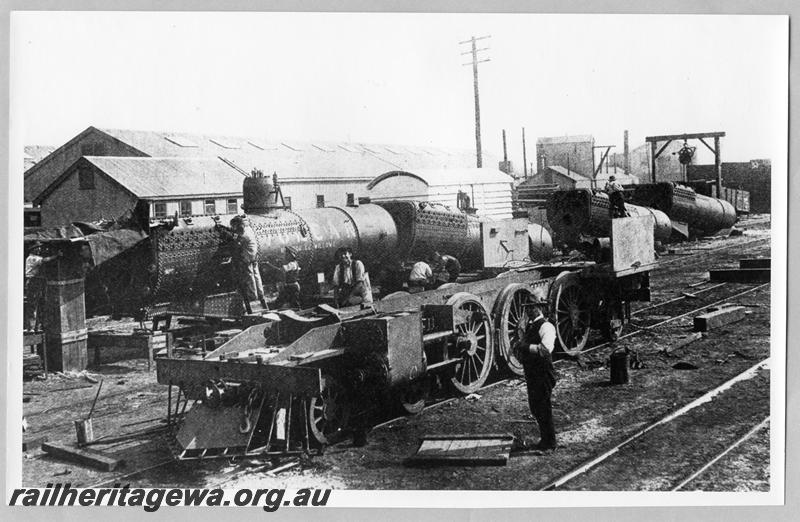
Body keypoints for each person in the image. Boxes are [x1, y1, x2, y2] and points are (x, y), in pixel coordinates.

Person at [513, 304, 558, 451]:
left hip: (543, 374)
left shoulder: (546, 326)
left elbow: (545, 350)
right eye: (527, 308)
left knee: (544, 408)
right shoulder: (531, 326)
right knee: (536, 408)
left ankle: (550, 443)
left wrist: (525, 347)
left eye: (532, 308)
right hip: (532, 374)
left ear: (539, 308)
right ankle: (545, 440)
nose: (529, 311)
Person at [229, 216, 267, 312]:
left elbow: (236, 243)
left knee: (250, 278)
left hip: (247, 258)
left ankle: (252, 296)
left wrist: (232, 236)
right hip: (253, 256)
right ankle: (260, 294)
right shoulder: (249, 229)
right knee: (257, 277)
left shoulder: (242, 235)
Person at [24, 244, 60, 331]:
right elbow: (45, 260)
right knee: (33, 304)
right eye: (37, 248)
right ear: (33, 249)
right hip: (33, 281)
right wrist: (56, 255)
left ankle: (36, 326)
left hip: (36, 281)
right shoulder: (32, 258)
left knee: (37, 303)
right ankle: (31, 327)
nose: (39, 249)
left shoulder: (35, 257)